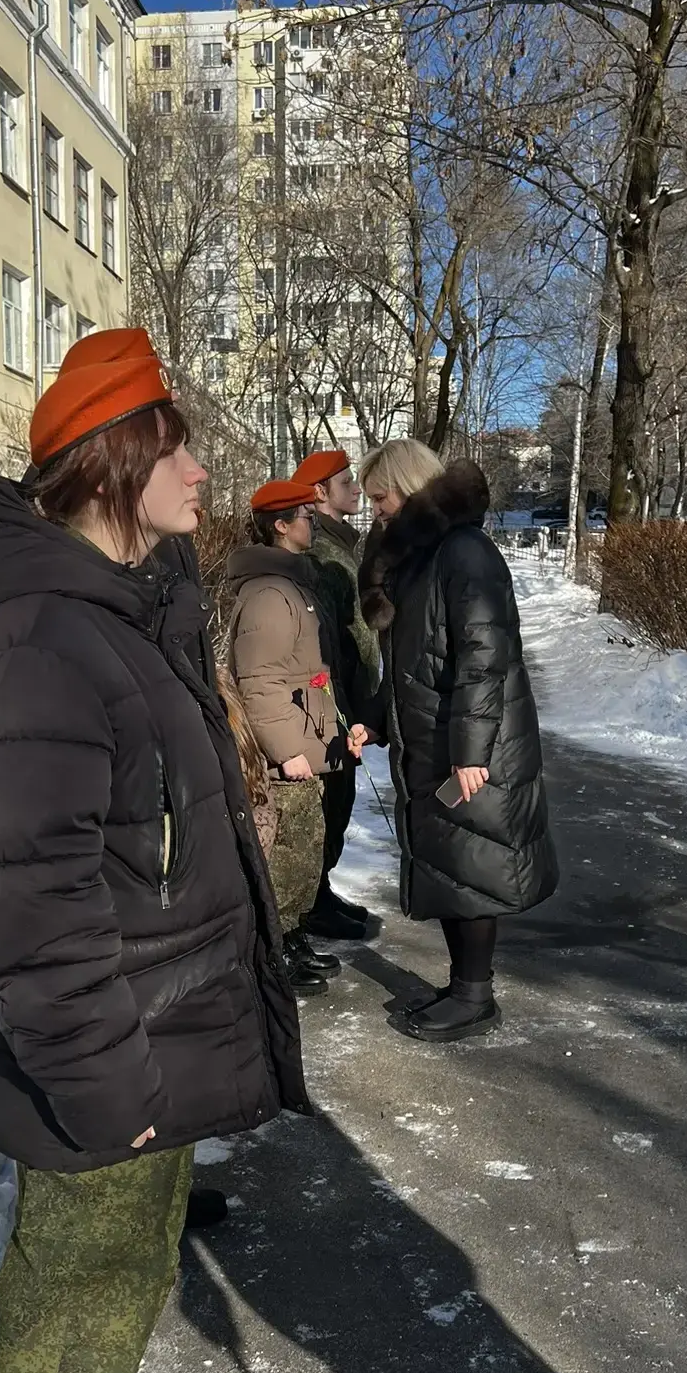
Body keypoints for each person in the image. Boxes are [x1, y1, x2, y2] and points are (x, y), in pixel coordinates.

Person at [0, 328, 307, 1373]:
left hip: (159, 1032)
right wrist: (101, 1077)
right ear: (112, 464)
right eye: (178, 449)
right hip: (102, 1049)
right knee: (74, 1278)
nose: (203, 473)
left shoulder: (121, 615)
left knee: (130, 1264)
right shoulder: (38, 641)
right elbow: (21, 899)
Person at [358, 441, 558, 1039]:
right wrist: (377, 718)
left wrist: (470, 754)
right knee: (451, 865)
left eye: (381, 496)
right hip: (436, 736)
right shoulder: (419, 555)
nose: (375, 510)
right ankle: (465, 987)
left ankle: (475, 996)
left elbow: (484, 655)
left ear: (408, 485)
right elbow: (409, 659)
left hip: (473, 744)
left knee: (473, 867)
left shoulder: (463, 550)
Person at [226, 479, 367, 998]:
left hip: (313, 739)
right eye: (305, 516)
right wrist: (286, 751)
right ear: (281, 526)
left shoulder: (292, 583)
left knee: (305, 853)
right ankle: (275, 952)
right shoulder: (270, 594)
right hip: (289, 754)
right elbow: (259, 681)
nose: (313, 523)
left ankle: (293, 936)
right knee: (284, 857)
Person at [294, 447, 381, 941]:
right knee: (331, 799)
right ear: (320, 492)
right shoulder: (322, 550)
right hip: (336, 696)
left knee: (341, 799)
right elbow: (334, 638)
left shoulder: (341, 542)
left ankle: (319, 890)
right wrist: (346, 703)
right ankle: (312, 899)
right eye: (346, 482)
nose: (356, 490)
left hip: (351, 693)